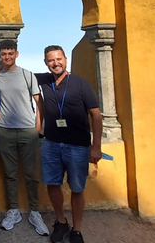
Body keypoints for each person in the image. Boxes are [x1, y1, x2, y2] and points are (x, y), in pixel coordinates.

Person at [39, 46, 102, 243]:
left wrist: (96, 146)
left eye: (58, 59)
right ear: (46, 63)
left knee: (77, 188)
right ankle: (61, 222)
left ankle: (77, 229)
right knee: (53, 184)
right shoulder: (44, 81)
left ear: (65, 59)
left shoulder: (80, 83)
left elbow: (96, 116)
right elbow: (18, 73)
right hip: (51, 144)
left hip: (78, 146)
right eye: (51, 60)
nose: (55, 63)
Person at [0, 40, 49, 235]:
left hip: (27, 130)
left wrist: (38, 126)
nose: (7, 57)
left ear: (16, 54)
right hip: (5, 130)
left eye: (10, 53)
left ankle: (34, 212)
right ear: (0, 55)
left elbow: (39, 102)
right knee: (10, 174)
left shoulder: (27, 75)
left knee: (31, 174)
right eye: (4, 54)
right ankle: (14, 210)